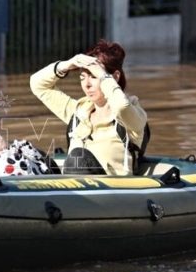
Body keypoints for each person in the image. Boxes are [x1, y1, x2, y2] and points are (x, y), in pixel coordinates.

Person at [30, 40, 147, 175]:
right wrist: (67, 64)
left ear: (114, 77)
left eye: (93, 76)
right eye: (82, 77)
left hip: (111, 191)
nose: (86, 84)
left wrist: (103, 75)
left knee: (77, 159)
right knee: (31, 156)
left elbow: (121, 105)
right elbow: (37, 84)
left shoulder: (133, 115)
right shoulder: (78, 112)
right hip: (72, 187)